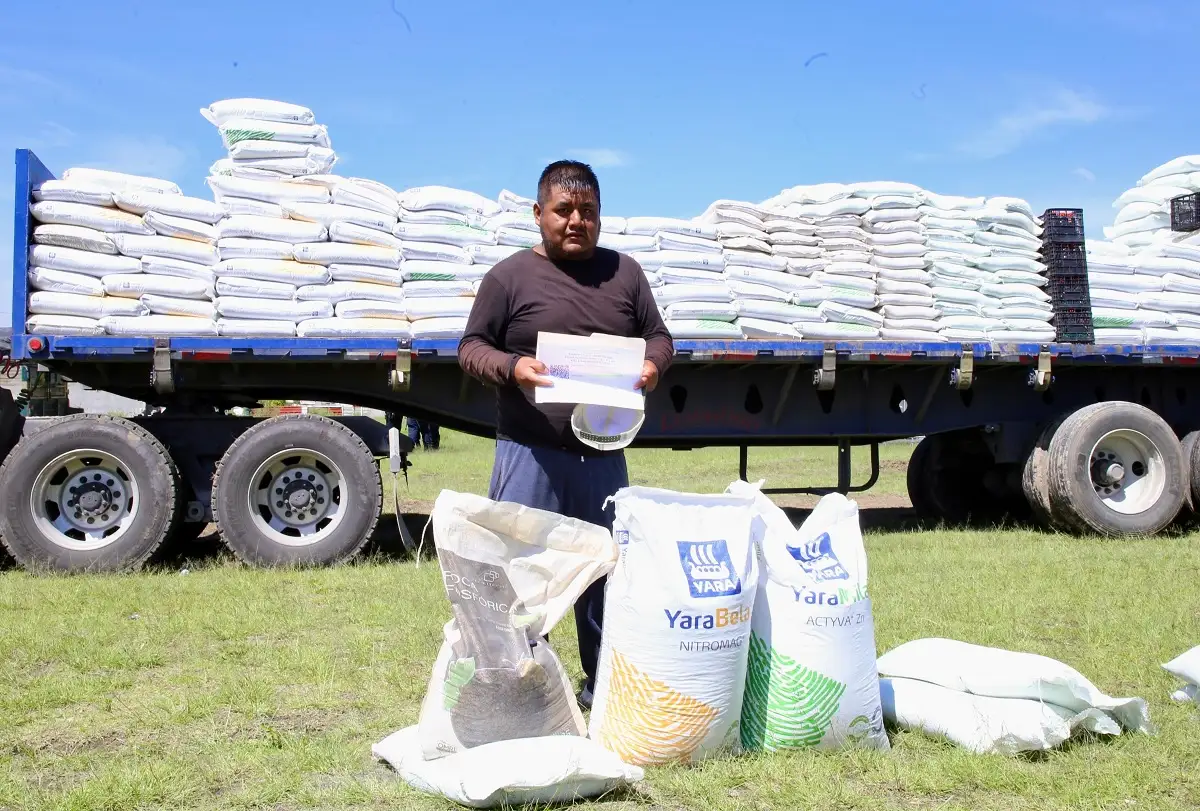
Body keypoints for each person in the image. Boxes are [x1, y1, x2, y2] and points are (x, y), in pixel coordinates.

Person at [457, 160, 674, 708]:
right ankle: (525, 693)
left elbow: (659, 336)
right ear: (538, 214)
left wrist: (651, 366)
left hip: (603, 453)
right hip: (530, 454)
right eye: (564, 211)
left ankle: (603, 691)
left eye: (589, 212)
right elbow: (471, 347)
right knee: (524, 577)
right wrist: (514, 368)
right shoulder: (509, 277)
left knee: (604, 574)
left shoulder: (624, 273)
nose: (576, 221)